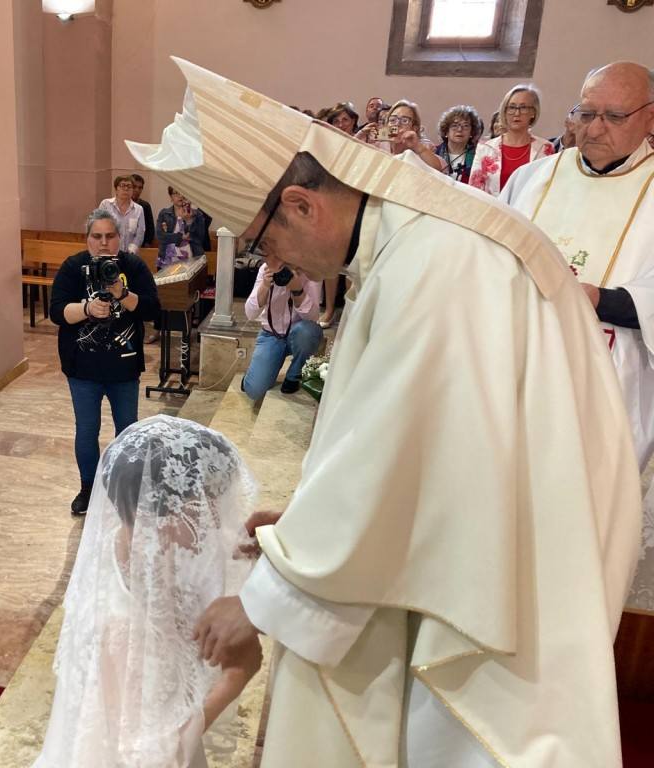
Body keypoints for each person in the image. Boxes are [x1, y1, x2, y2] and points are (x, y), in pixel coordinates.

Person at [127, 58, 639, 767]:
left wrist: (268, 599)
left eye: (267, 243)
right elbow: (419, 445)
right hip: (481, 543)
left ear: (304, 205)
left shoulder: (440, 259)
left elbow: (397, 453)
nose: (280, 264)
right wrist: (308, 524)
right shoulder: (411, 238)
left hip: (506, 591)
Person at [502, 61, 654, 608]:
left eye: (614, 115)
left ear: (650, 117)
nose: (594, 128)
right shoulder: (534, 177)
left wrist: (599, 299)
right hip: (517, 369)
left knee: (578, 525)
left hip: (609, 377)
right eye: (585, 112)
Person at [34, 415, 261, 767]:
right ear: (169, 515)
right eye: (206, 507)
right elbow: (151, 756)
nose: (216, 520)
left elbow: (195, 574)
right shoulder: (121, 629)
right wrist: (237, 676)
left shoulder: (141, 545)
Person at [49, 208, 160, 515]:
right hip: (82, 368)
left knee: (127, 431)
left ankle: (126, 487)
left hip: (123, 368)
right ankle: (88, 488)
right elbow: (56, 311)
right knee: (86, 429)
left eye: (110, 236)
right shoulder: (73, 267)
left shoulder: (133, 265)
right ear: (87, 240)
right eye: (96, 236)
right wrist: (86, 309)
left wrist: (122, 293)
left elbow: (151, 309)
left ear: (119, 238)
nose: (103, 243)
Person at [241, 259, 322, 399]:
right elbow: (250, 313)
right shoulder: (266, 269)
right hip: (271, 335)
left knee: (309, 332)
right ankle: (254, 376)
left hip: (300, 335)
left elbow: (313, 317)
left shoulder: (311, 272)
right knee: (255, 391)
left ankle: (294, 375)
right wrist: (265, 286)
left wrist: (298, 291)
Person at [469, 84, 555, 195]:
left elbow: (547, 190)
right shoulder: (485, 148)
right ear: (504, 111)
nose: (516, 113)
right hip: (493, 210)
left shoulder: (545, 148)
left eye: (523, 107)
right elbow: (474, 190)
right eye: (512, 107)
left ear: (533, 112)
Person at [155, 186, 207, 270]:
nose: (180, 196)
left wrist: (188, 221)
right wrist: (180, 237)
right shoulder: (164, 213)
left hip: (191, 257)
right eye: (176, 193)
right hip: (167, 258)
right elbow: (160, 236)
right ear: (171, 197)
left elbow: (199, 238)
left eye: (182, 192)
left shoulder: (197, 215)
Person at [435, 105, 483, 183]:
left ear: (471, 132)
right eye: (454, 125)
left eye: (465, 126)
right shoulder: (434, 153)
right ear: (446, 131)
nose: (460, 129)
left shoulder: (479, 156)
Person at [99, 176, 146, 254]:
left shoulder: (138, 209)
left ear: (132, 190)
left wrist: (131, 251)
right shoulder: (105, 205)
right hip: (108, 252)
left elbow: (140, 233)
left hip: (130, 255)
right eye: (122, 185)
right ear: (116, 189)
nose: (126, 189)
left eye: (129, 186)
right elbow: (98, 227)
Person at [130, 173, 156, 246]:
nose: (137, 190)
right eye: (134, 187)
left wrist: (146, 245)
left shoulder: (145, 206)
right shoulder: (122, 205)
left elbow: (150, 229)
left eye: (140, 188)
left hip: (141, 246)